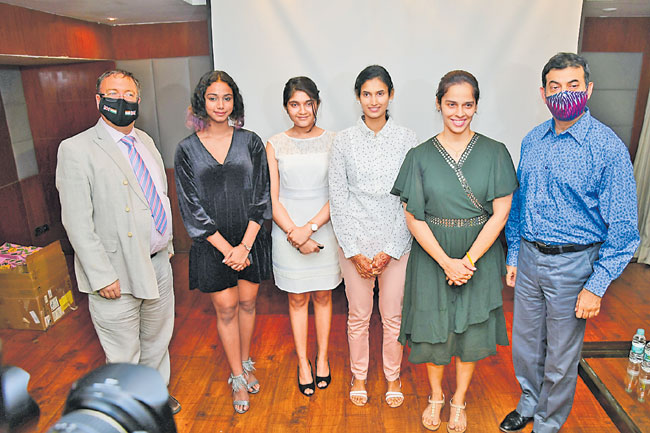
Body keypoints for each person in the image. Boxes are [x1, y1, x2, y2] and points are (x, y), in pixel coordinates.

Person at [500, 53, 640, 433]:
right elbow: (520, 203)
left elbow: (624, 228)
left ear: (588, 89)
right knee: (526, 343)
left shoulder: (607, 148)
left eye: (573, 85)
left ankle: (548, 422)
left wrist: (596, 285)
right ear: (543, 93)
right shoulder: (533, 140)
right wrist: (514, 254)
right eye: (555, 86)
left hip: (574, 265)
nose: (564, 93)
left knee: (561, 354)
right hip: (530, 257)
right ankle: (529, 403)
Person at [392, 70, 517, 432]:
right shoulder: (419, 156)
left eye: (467, 104)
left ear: (476, 106)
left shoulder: (495, 152)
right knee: (433, 328)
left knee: (470, 331)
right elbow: (412, 216)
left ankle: (459, 399)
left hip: (479, 253)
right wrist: (447, 262)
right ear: (438, 104)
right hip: (433, 255)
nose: (459, 112)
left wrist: (468, 261)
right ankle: (436, 396)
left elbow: (501, 213)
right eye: (451, 104)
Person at [56, 69, 180, 414]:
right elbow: (77, 222)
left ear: (138, 100)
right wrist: (101, 275)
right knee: (124, 351)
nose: (121, 100)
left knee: (157, 340)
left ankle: (154, 399)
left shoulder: (146, 141)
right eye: (112, 93)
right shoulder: (77, 149)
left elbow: (158, 196)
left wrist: (167, 246)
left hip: (157, 262)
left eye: (128, 94)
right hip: (115, 273)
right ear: (98, 100)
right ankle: (130, 412)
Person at [174, 70, 271, 414]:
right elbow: (191, 207)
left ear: (235, 102)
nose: (220, 105)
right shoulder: (186, 149)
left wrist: (244, 246)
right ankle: (236, 376)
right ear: (202, 102)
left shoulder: (251, 142)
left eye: (226, 98)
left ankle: (245, 361)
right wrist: (229, 250)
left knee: (247, 303)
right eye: (213, 98)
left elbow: (262, 195)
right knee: (226, 308)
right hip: (212, 245)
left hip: (250, 239)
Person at [329, 65, 417, 408]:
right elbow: (338, 198)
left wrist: (392, 249)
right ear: (358, 97)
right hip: (354, 243)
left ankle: (393, 376)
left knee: (393, 316)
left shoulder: (408, 139)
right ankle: (359, 375)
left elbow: (411, 198)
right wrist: (353, 251)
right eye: (367, 94)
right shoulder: (343, 141)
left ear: (391, 95)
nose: (374, 100)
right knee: (358, 316)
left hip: (396, 243)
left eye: (380, 93)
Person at [266, 76, 342, 396]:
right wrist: (293, 233)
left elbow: (338, 193)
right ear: (286, 108)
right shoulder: (274, 143)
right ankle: (303, 362)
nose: (301, 110)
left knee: (323, 296)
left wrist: (308, 229)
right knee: (297, 299)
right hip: (286, 229)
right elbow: (273, 198)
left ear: (317, 104)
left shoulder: (334, 141)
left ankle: (322, 358)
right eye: (294, 104)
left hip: (323, 228)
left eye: (307, 103)